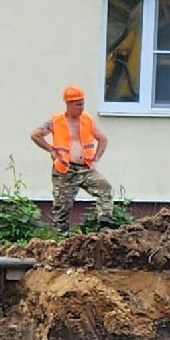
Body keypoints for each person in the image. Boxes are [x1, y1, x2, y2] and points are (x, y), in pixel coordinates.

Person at [31, 85, 113, 233]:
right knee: (62, 206)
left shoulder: (87, 119)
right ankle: (61, 238)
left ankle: (104, 226)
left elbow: (103, 139)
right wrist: (51, 150)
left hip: (85, 169)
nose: (81, 107)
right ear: (68, 104)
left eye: (82, 103)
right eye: (78, 104)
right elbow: (35, 135)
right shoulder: (56, 121)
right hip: (64, 170)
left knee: (104, 188)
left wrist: (95, 160)